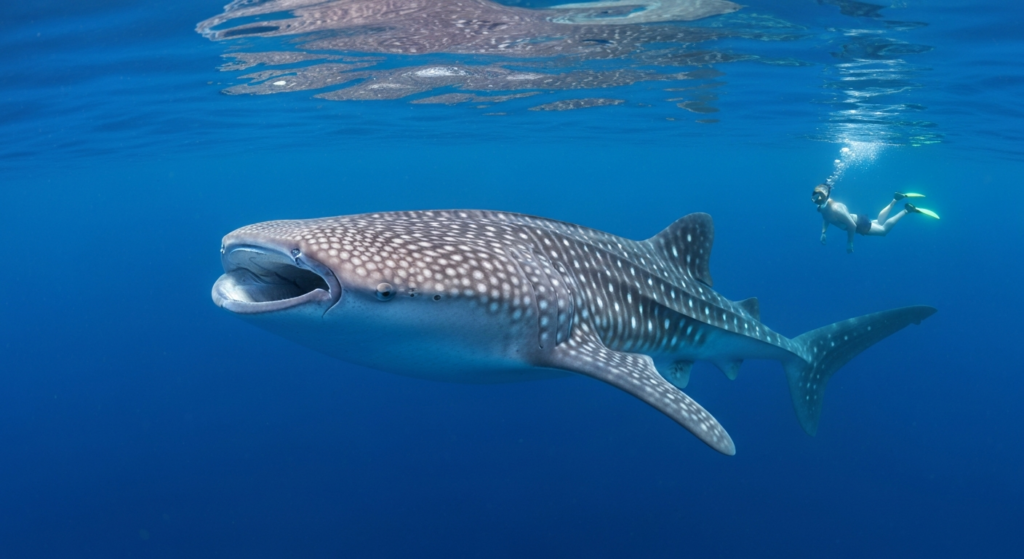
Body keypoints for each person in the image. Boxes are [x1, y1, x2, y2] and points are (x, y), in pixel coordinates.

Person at [812, 184, 939, 253]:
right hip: (859, 220)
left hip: (859, 224)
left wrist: (849, 243)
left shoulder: (836, 208)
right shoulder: (823, 207)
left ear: (825, 195)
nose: (815, 199)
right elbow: (826, 218)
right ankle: (895, 199)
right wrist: (824, 232)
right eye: (815, 195)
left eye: (819, 196)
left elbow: (851, 226)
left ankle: (907, 210)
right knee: (879, 222)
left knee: (883, 231)